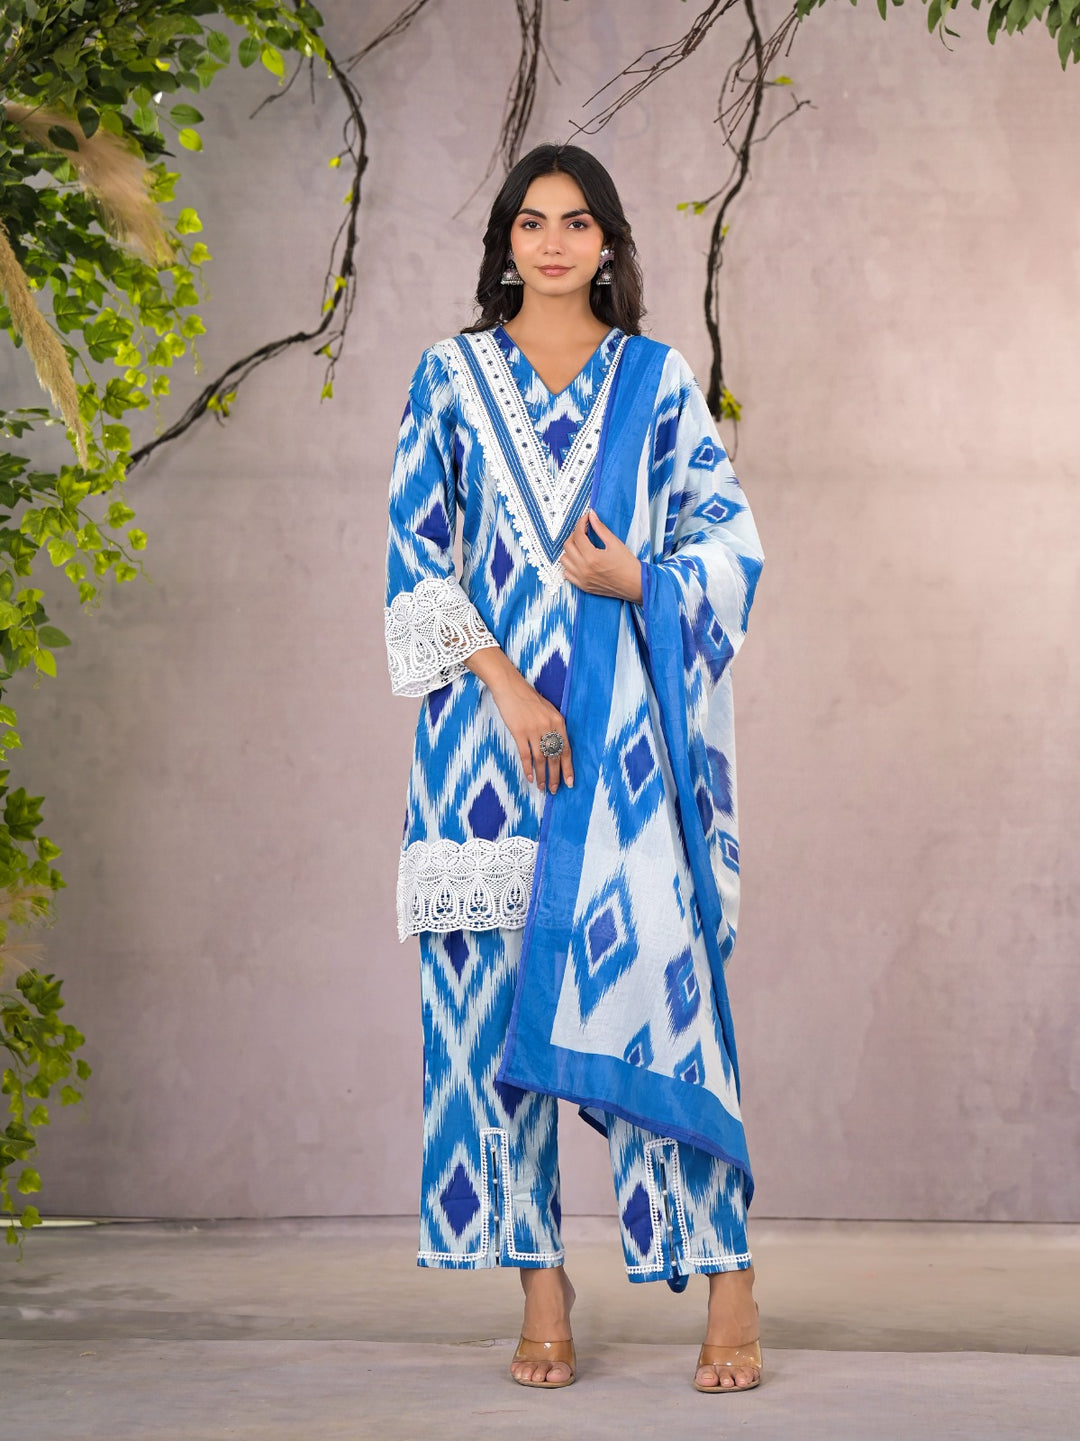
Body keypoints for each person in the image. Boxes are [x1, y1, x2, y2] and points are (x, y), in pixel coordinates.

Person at [383, 142, 765, 1394]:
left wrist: (640, 577)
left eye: (578, 222)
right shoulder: (448, 378)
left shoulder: (657, 380)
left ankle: (729, 1279)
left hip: (623, 757)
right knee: (490, 1020)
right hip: (483, 753)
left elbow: (732, 545)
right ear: (507, 241)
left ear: (608, 245)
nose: (554, 243)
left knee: (665, 1003)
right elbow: (416, 557)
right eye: (533, 222)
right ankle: (541, 1288)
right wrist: (507, 685)